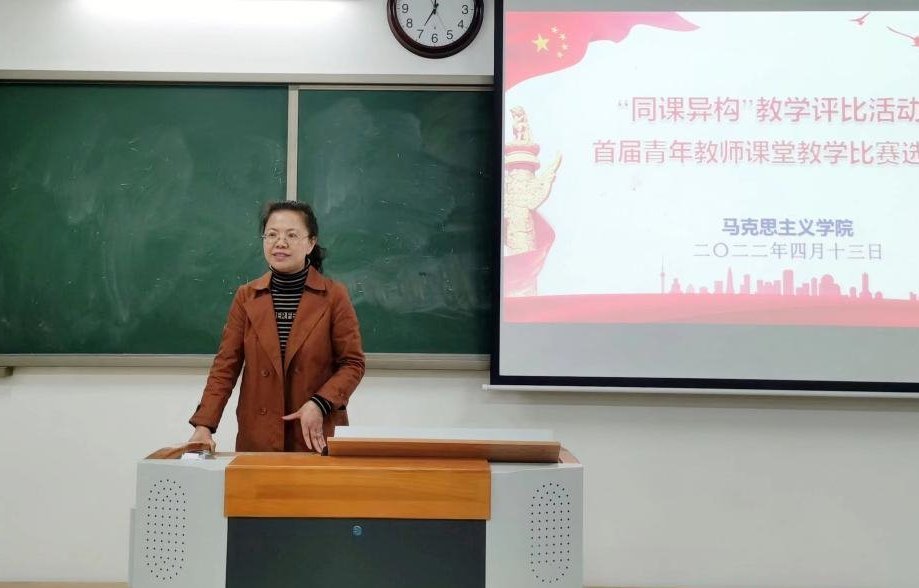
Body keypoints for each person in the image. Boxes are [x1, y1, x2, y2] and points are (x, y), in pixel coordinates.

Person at [188, 201, 365, 453]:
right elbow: (225, 367)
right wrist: (204, 425)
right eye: (272, 235)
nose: (280, 243)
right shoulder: (246, 296)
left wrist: (320, 403)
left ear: (311, 243)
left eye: (291, 235)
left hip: (315, 434)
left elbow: (353, 363)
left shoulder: (334, 295)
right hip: (259, 437)